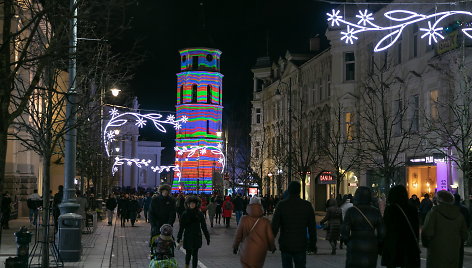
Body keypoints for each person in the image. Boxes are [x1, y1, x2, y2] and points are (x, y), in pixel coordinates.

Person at [272, 181, 317, 268]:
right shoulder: (307, 205)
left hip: (286, 243)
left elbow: (274, 226)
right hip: (301, 243)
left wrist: (271, 242)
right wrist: (312, 244)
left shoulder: (281, 205)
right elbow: (312, 227)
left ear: (288, 191)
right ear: (299, 191)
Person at [422, 190, 468, 268]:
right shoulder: (459, 215)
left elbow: (427, 232)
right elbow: (464, 235)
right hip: (453, 253)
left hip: (436, 252)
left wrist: (427, 244)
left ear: (437, 200)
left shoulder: (433, 213)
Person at [341, 186, 384, 268]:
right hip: (371, 244)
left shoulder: (351, 211)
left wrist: (347, 240)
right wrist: (378, 243)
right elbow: (382, 232)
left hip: (355, 243)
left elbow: (345, 230)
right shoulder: (375, 211)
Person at [381, 185, 420, 268]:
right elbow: (416, 228)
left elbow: (385, 227)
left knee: (392, 263)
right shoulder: (412, 209)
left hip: (393, 243)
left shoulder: (390, 209)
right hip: (409, 243)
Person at [233, 196, 276, 268]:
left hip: (246, 249)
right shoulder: (265, 221)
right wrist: (272, 247)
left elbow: (238, 235)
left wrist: (235, 246)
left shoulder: (244, 219)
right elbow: (270, 236)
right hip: (260, 251)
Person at [177, 196, 210, 268]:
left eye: (193, 203)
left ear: (196, 204)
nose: (192, 205)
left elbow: (204, 227)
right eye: (190, 203)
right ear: (188, 204)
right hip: (188, 236)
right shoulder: (185, 214)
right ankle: (187, 265)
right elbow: (181, 227)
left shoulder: (200, 214)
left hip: (196, 236)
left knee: (195, 254)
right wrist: (179, 237)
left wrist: (207, 237)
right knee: (188, 253)